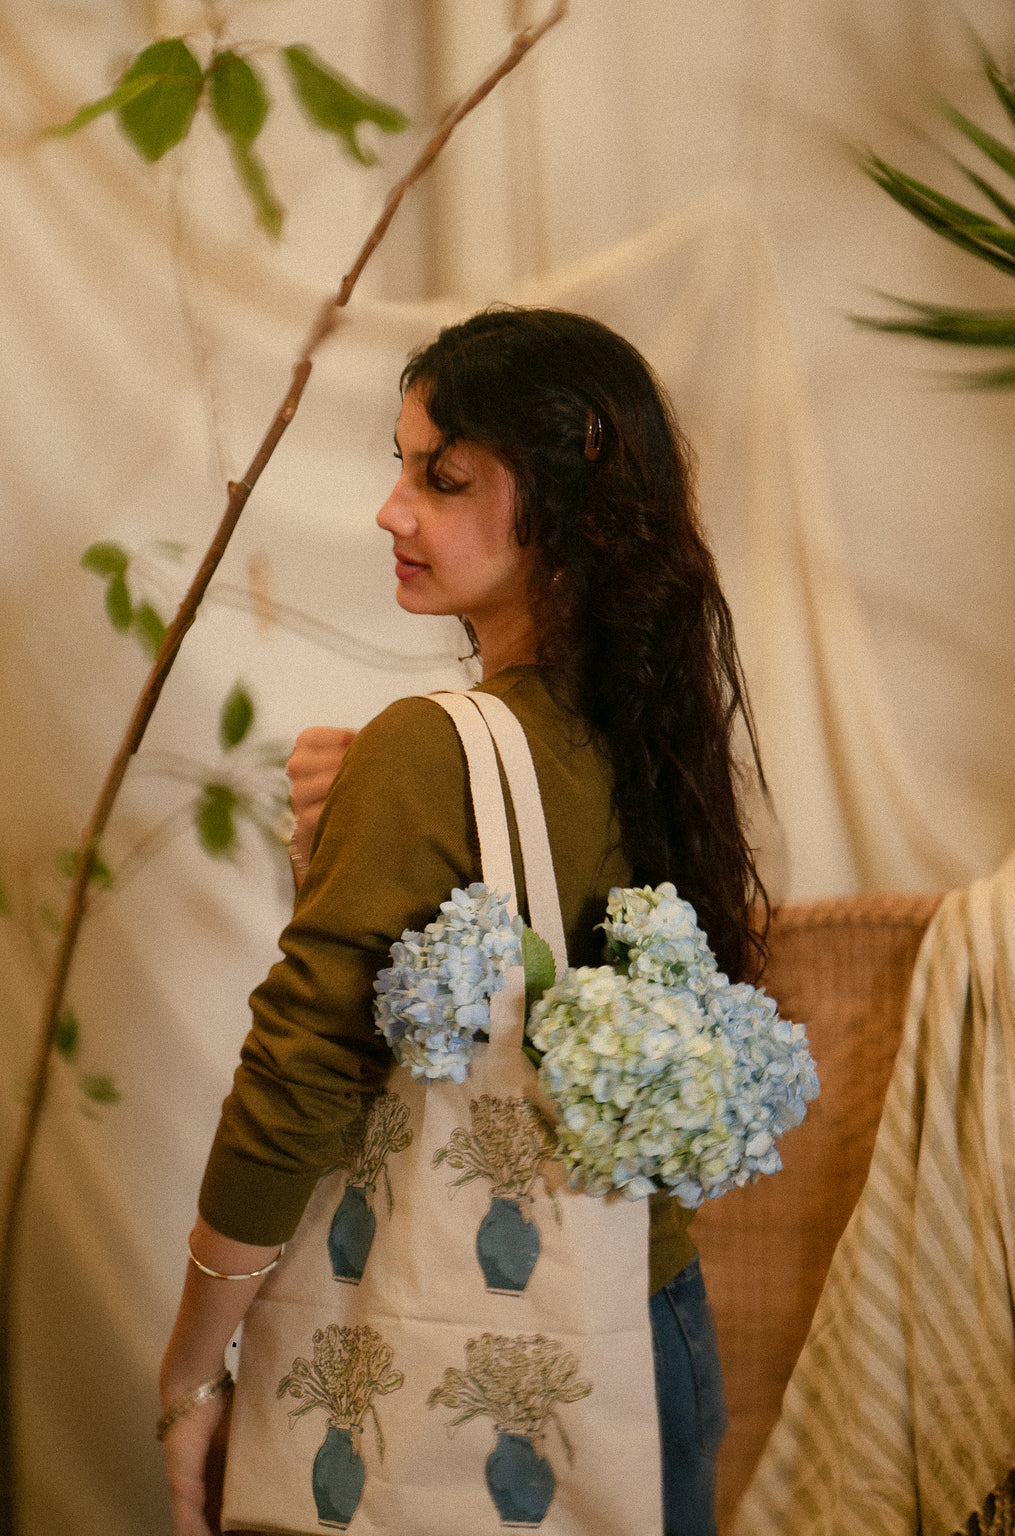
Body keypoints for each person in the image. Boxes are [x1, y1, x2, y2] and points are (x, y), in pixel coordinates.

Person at [159, 306, 767, 1536]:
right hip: (654, 1335)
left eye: (442, 478)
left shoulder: (430, 749)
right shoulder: (651, 730)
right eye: (400, 465)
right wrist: (357, 822)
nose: (392, 509)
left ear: (566, 506)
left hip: (488, 1365)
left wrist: (189, 1370)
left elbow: (303, 1069)